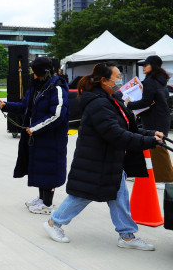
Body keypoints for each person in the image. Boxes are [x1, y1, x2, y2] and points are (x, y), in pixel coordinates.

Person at [43, 62, 161, 250]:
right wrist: (147, 141)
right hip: (96, 161)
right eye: (117, 77)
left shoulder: (111, 98)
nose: (120, 80)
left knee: (119, 197)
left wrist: (150, 134)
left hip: (110, 159)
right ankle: (53, 223)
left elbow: (126, 127)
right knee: (82, 196)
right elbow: (115, 134)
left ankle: (127, 236)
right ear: (104, 81)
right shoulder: (98, 103)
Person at [0, 57, 69, 214]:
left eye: (34, 71)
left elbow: (57, 115)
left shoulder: (57, 88)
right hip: (37, 137)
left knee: (49, 169)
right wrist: (6, 106)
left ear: (43, 72)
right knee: (39, 168)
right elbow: (25, 106)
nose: (32, 74)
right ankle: (42, 199)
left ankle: (48, 205)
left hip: (51, 139)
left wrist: (34, 128)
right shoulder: (37, 87)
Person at [127, 55, 173, 190]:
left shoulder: (150, 81)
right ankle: (154, 175)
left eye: (146, 64)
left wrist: (128, 104)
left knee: (158, 147)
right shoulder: (161, 80)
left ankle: (166, 178)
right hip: (161, 116)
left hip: (154, 118)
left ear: (153, 65)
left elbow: (145, 102)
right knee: (155, 146)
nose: (143, 67)